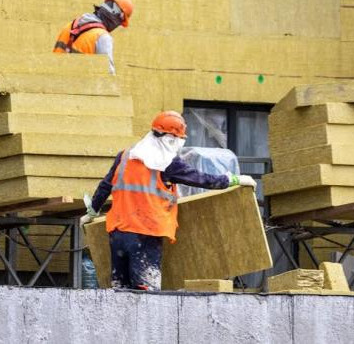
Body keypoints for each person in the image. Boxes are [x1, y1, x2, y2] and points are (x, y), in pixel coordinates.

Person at [81, 111, 257, 291]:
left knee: (119, 293)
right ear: (171, 139)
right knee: (146, 295)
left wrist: (91, 212)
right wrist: (234, 180)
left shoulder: (125, 156)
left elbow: (105, 186)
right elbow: (202, 179)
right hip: (145, 235)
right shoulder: (166, 163)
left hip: (118, 235)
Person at [53, 0, 134, 74]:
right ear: (116, 15)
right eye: (120, 21)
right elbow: (108, 77)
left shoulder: (70, 26)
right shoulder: (102, 37)